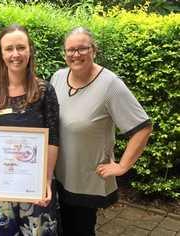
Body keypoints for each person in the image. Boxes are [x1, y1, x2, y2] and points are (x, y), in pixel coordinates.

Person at [50, 27, 153, 236]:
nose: (75, 54)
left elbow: (143, 127)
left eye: (82, 49)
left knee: (80, 231)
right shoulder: (58, 78)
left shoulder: (110, 85)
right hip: (58, 175)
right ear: (64, 53)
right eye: (70, 50)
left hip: (86, 181)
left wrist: (122, 166)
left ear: (93, 50)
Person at [0, 24, 60, 236]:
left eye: (21, 47)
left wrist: (46, 182)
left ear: (30, 50)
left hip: (35, 186)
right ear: (1, 53)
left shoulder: (44, 90)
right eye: (9, 48)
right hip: (1, 186)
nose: (16, 54)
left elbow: (53, 139)